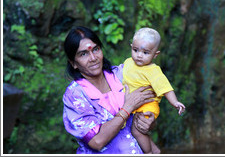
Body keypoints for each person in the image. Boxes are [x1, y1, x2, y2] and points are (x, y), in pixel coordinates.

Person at [62, 26, 157, 154]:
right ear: (73, 63)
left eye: (96, 50)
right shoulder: (75, 95)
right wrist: (127, 107)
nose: (93, 58)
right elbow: (97, 142)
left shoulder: (122, 75)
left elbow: (150, 103)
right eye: (83, 54)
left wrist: (148, 121)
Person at [122, 27, 186, 154]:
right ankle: (155, 150)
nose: (139, 55)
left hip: (147, 105)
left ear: (155, 54)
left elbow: (166, 88)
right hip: (133, 103)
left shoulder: (153, 71)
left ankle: (149, 153)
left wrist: (175, 102)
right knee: (132, 128)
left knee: (137, 130)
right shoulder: (128, 62)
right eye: (135, 50)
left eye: (145, 53)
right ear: (131, 47)